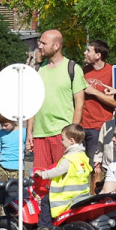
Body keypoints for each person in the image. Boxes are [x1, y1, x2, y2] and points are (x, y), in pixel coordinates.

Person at [27, 29, 87, 169]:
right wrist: (29, 131)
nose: (39, 46)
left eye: (43, 43)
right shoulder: (37, 70)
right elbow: (32, 104)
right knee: (40, 182)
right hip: (40, 134)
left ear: (56, 46)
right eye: (39, 42)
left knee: (63, 179)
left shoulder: (72, 68)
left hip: (62, 135)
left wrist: (72, 133)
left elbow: (80, 104)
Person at [32, 124, 91, 230]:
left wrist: (42, 174)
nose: (61, 142)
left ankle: (45, 226)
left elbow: (57, 171)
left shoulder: (69, 158)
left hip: (66, 195)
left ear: (72, 141)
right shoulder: (83, 156)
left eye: (63, 139)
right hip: (81, 193)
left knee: (45, 201)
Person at [81, 40, 115, 194]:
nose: (85, 53)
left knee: (96, 167)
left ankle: (95, 201)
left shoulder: (111, 72)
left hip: (100, 127)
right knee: (81, 167)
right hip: (81, 126)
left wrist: (94, 92)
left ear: (98, 55)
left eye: (88, 51)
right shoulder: (83, 71)